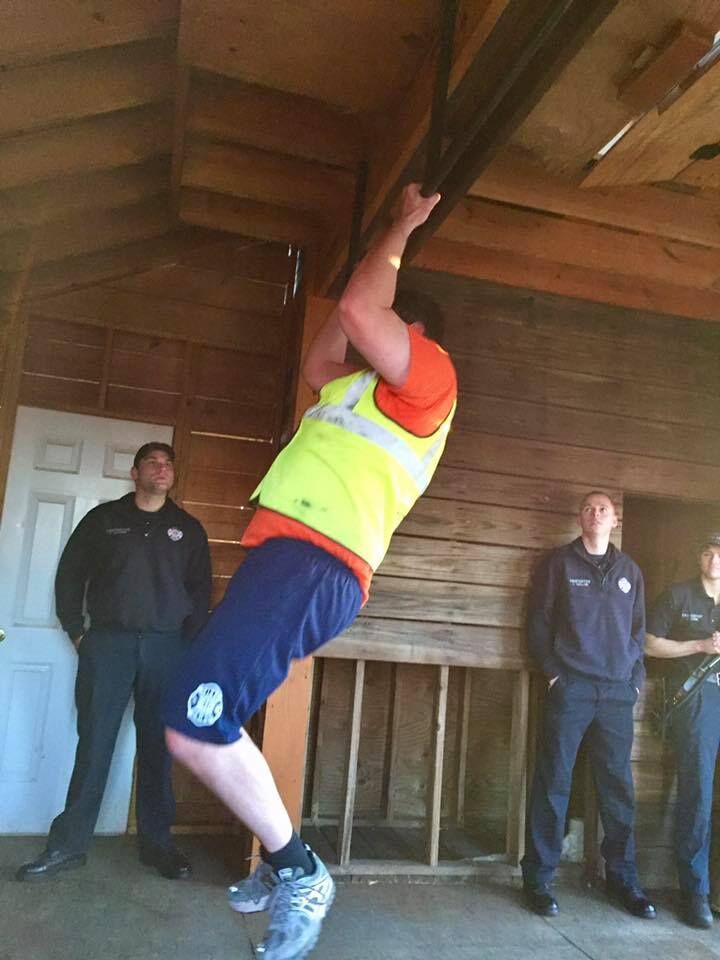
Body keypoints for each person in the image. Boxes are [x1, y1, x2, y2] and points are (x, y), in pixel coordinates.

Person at [162, 183, 457, 960]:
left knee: (192, 721)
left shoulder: (429, 381)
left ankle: (299, 872)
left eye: (391, 325)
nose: (368, 343)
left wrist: (398, 230)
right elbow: (328, 350)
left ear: (414, 331)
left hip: (316, 562)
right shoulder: (354, 388)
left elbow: (365, 315)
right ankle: (285, 859)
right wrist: (365, 258)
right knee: (206, 717)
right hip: (290, 560)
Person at [17, 442, 211, 882]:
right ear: (135, 472)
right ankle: (68, 846)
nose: (161, 470)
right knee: (95, 744)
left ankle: (158, 847)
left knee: (158, 750)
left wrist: (186, 645)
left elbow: (201, 593)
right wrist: (77, 631)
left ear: (173, 475)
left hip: (166, 650)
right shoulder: (104, 521)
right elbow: (70, 575)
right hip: (108, 646)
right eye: (152, 463)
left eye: (167, 464)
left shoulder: (188, 529)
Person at [521, 491, 656, 920]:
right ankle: (539, 880)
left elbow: (639, 632)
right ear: (580, 517)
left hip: (617, 693)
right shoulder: (558, 565)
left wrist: (634, 682)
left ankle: (622, 879)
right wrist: (554, 674)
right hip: (572, 688)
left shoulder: (630, 571)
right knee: (554, 782)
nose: (596, 513)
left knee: (618, 789)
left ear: (615, 520)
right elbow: (538, 622)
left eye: (603, 509)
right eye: (588, 507)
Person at [645, 533, 720, 929]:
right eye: (708, 551)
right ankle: (696, 892)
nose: (714, 558)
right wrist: (699, 646)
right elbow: (647, 642)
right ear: (698, 556)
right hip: (697, 702)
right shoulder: (678, 595)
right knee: (698, 793)